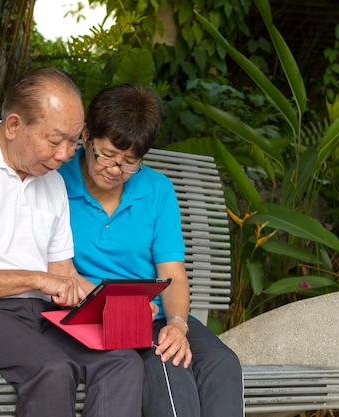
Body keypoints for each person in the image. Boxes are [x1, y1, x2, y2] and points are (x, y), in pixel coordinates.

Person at [0, 67, 144, 417]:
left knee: (122, 362)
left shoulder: (49, 181)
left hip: (37, 318)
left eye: (73, 140)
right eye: (55, 141)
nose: (67, 154)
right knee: (51, 370)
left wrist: (122, 307)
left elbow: (63, 274)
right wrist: (36, 279)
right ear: (14, 126)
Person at [58, 83, 244, 417]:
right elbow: (58, 273)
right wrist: (126, 311)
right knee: (169, 368)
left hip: (153, 314)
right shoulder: (58, 181)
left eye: (130, 162)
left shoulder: (157, 189)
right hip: (92, 313)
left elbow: (171, 273)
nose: (115, 171)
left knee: (222, 363)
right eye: (107, 155)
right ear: (86, 135)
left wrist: (177, 324)